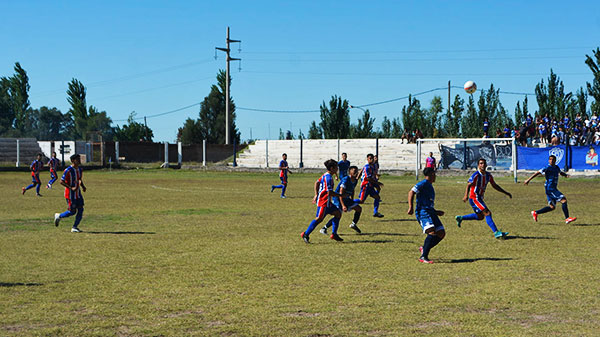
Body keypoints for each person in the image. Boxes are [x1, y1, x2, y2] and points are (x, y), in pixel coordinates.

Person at [455, 158, 512, 239]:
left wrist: (506, 193)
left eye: (484, 163)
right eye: (481, 163)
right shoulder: (476, 175)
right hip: (474, 198)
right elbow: (468, 185)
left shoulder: (488, 175)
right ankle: (496, 232)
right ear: (478, 165)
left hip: (479, 198)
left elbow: (494, 185)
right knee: (487, 213)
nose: (483, 165)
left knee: (480, 217)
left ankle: (461, 218)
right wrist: (465, 196)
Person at [408, 167, 446, 264]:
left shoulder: (429, 185)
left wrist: (436, 212)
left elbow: (427, 202)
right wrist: (411, 207)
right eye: (434, 174)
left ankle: (424, 248)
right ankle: (424, 256)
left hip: (431, 212)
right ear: (429, 174)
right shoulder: (423, 183)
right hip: (423, 212)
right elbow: (411, 192)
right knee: (432, 232)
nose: (435, 176)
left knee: (441, 233)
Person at [524, 155, 577, 224]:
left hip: (552, 188)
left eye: (553, 159)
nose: (551, 161)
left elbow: (560, 172)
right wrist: (528, 180)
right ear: (549, 160)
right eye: (550, 159)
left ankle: (535, 212)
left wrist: (566, 175)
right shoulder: (547, 168)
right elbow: (537, 173)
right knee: (563, 200)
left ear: (555, 161)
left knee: (552, 207)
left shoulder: (556, 167)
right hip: (550, 188)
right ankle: (567, 218)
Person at [301, 159, 343, 243]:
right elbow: (329, 192)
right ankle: (305, 234)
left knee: (338, 213)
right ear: (332, 168)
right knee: (319, 219)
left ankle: (334, 234)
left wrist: (316, 194)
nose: (337, 169)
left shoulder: (326, 175)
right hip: (323, 202)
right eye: (336, 167)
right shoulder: (328, 178)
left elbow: (317, 182)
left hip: (328, 202)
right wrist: (340, 195)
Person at [320, 165, 363, 234]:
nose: (356, 173)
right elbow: (341, 193)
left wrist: (352, 199)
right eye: (354, 171)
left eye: (356, 171)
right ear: (350, 172)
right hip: (338, 198)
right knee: (338, 214)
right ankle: (324, 228)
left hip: (346, 198)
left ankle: (353, 224)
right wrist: (343, 205)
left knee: (358, 209)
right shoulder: (346, 180)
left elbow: (352, 190)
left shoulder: (355, 180)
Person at [54, 154, 87, 232]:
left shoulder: (79, 169)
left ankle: (74, 227)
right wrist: (71, 188)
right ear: (73, 161)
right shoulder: (68, 170)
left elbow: (79, 179)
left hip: (78, 194)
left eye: (79, 159)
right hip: (70, 195)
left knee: (81, 209)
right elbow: (61, 181)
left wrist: (83, 186)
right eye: (77, 159)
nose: (79, 161)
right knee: (72, 212)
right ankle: (59, 216)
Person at [356, 153, 384, 218]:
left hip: (370, 185)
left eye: (372, 158)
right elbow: (368, 178)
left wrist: (376, 176)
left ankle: (375, 212)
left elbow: (373, 174)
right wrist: (377, 183)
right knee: (361, 201)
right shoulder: (367, 167)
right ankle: (347, 202)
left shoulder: (373, 166)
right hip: (365, 185)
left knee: (377, 197)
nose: (371, 160)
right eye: (370, 159)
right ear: (367, 159)